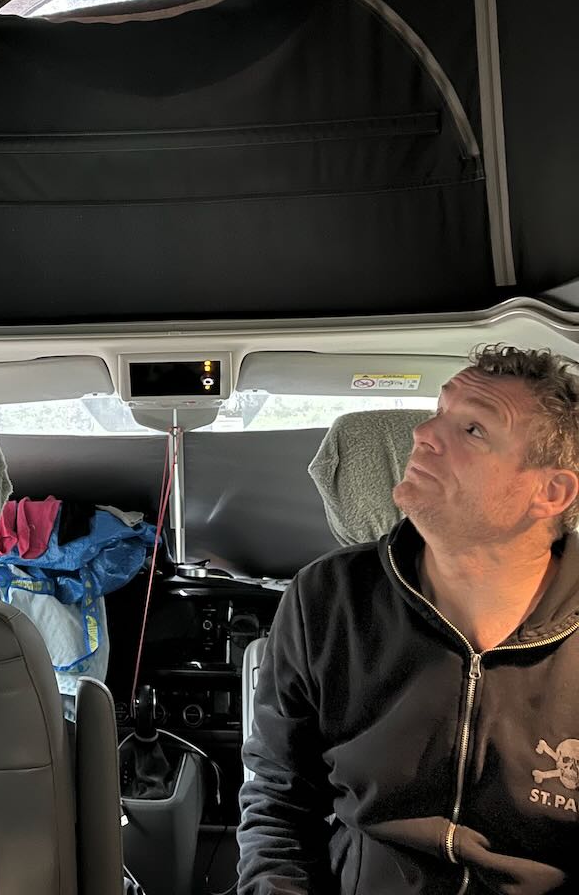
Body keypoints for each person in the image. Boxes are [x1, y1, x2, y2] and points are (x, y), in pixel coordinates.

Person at [238, 344, 579, 894]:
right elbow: (279, 802)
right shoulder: (328, 597)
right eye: (438, 411)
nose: (423, 433)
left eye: (473, 430)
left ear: (550, 492)